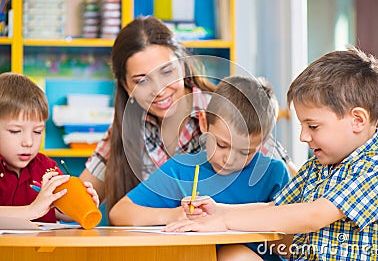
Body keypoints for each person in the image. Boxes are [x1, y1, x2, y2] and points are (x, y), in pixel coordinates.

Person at [165, 47, 378, 260]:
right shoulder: (318, 167)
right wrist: (220, 210)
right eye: (302, 126)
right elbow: (275, 208)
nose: (303, 137)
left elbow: (314, 215)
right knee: (232, 256)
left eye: (313, 126)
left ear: (357, 120)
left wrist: (225, 222)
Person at [79, 16, 297, 215]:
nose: (160, 89)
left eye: (167, 72)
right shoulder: (125, 132)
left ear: (183, 65)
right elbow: (81, 203)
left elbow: (298, 193)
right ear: (126, 87)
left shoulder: (226, 112)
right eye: (141, 81)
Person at [109, 75, 290, 261]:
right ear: (204, 123)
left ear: (263, 143)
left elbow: (291, 246)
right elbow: (120, 213)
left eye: (245, 152)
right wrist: (175, 215)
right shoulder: (181, 170)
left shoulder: (273, 174)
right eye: (221, 145)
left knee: (235, 256)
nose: (229, 159)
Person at [0, 72, 99, 223]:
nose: (28, 142)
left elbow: (60, 211)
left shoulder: (46, 168)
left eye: (37, 131)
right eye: (15, 131)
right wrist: (31, 210)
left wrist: (82, 206)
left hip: (41, 247)